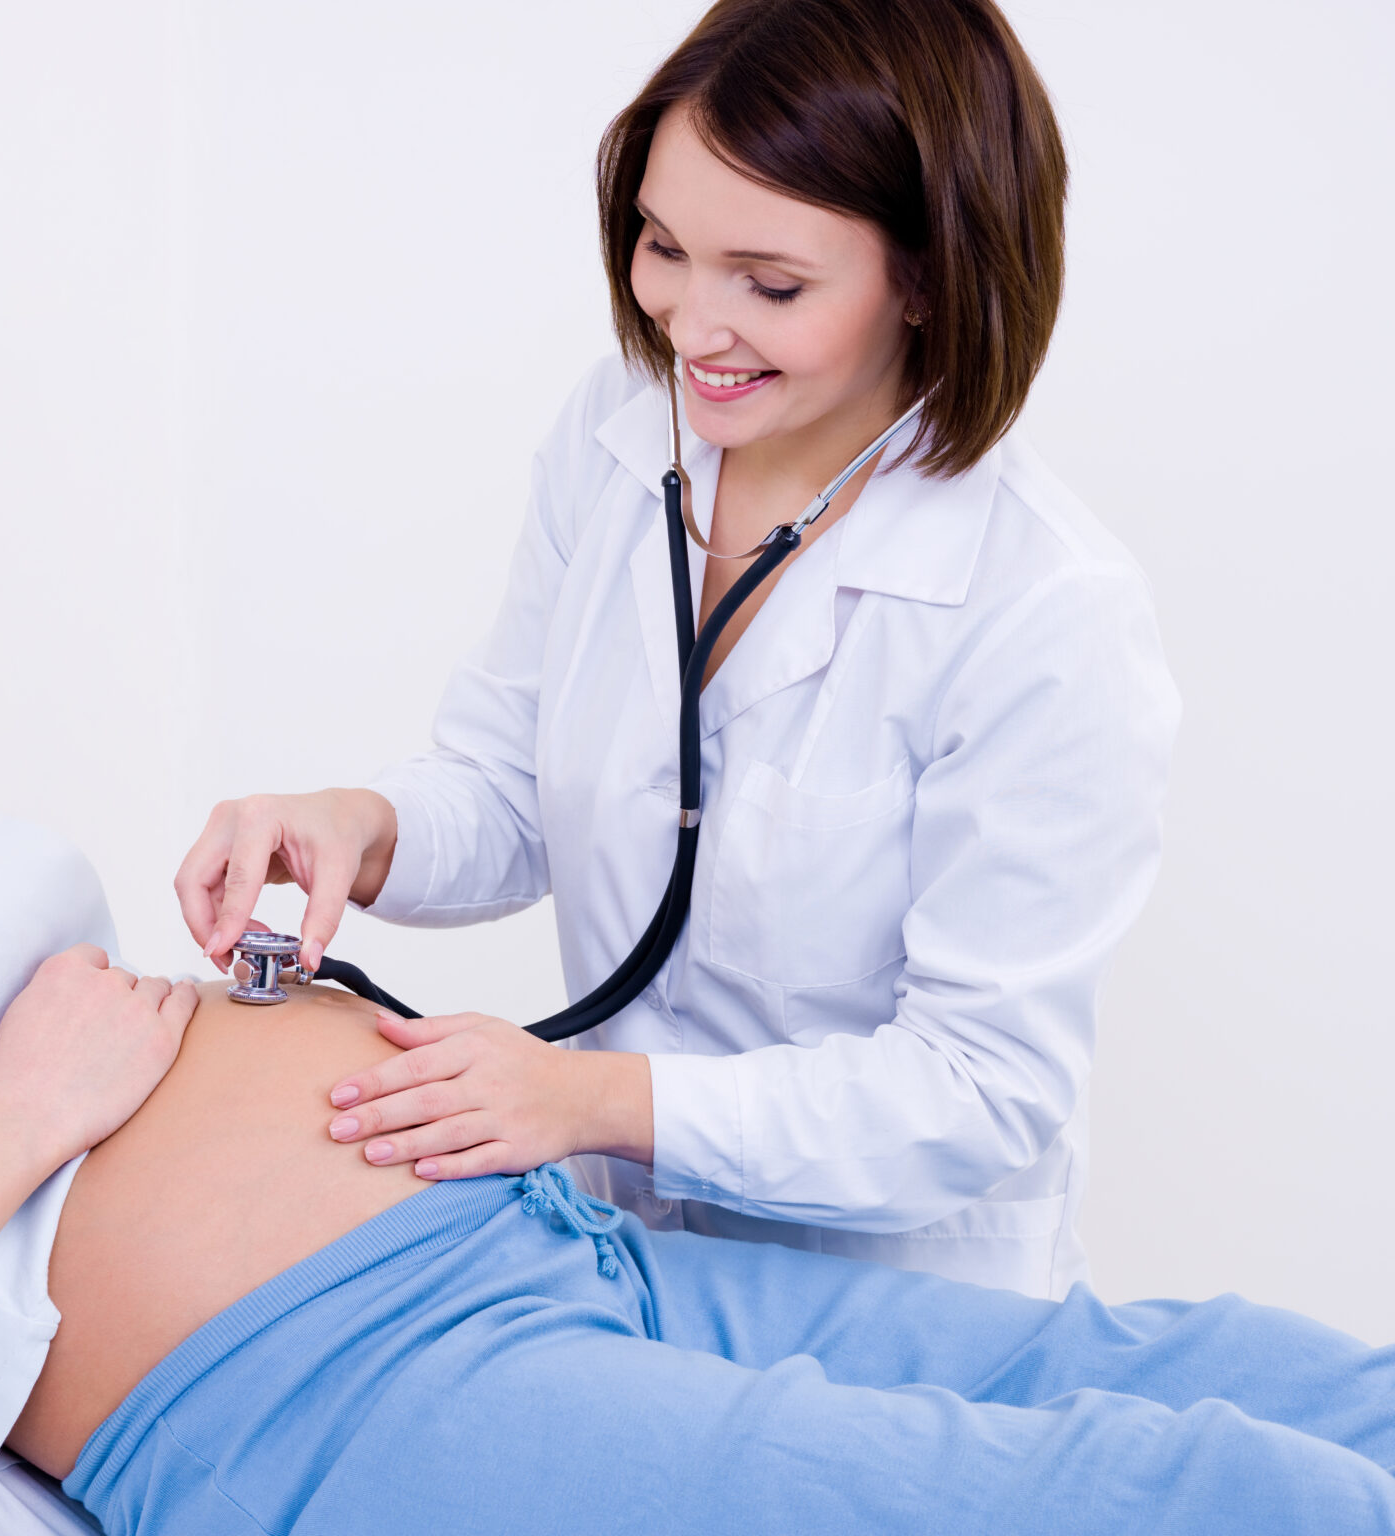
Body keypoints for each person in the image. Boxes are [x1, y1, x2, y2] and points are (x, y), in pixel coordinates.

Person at [0, 228, 1394, 1536]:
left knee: (1240, 1385)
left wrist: (324, 873)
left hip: (516, 1247)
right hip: (319, 1395)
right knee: (1180, 1498)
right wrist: (33, 1107)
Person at [174, 0, 1179, 1299]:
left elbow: (978, 1088)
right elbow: (513, 790)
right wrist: (357, 828)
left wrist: (594, 1100)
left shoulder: (1045, 610)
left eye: (770, 285)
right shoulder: (620, 436)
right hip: (626, 1257)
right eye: (661, 246)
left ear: (928, 272)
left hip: (898, 1297)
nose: (691, 326)